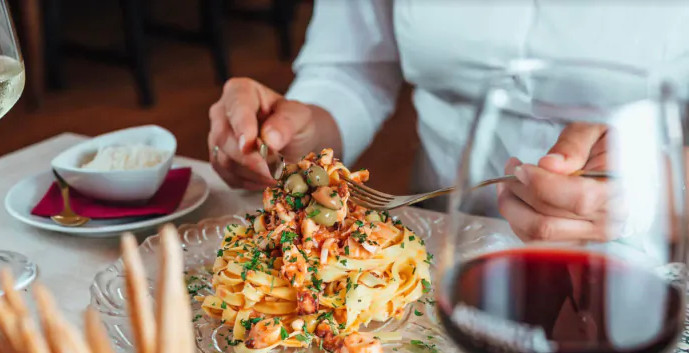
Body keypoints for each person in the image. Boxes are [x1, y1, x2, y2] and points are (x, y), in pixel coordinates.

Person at [207, 0, 689, 242]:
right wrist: (299, 128)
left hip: (659, 263)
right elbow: (354, 64)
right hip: (442, 248)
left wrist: (665, 191)